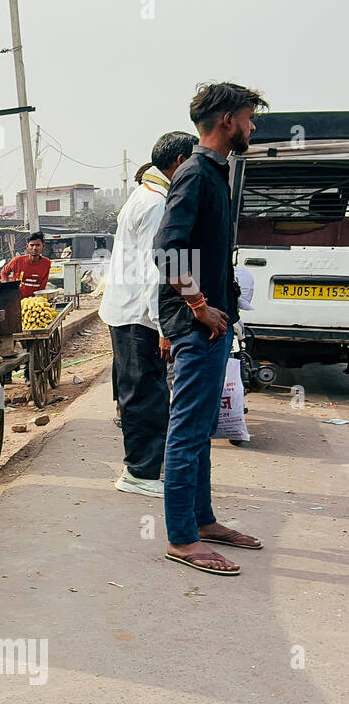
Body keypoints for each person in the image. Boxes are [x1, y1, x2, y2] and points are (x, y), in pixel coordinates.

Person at [154, 82, 268, 576]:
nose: (252, 126)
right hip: (197, 325)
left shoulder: (214, 172)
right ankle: (182, 538)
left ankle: (203, 520)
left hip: (215, 326)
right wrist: (198, 305)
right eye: (248, 117)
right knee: (185, 432)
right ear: (226, 120)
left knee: (200, 429)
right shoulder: (196, 173)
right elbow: (167, 247)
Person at [100, 131, 197, 496]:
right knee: (146, 395)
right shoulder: (157, 204)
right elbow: (151, 271)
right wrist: (163, 326)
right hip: (138, 315)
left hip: (128, 311)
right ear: (178, 163)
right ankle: (139, 473)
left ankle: (145, 469)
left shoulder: (144, 195)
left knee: (141, 391)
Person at [1, 232, 51, 297]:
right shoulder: (17, 261)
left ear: (43, 246)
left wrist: (38, 300)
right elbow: (4, 272)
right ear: (27, 246)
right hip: (16, 300)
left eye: (38, 245)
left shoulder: (46, 263)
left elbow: (43, 285)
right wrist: (6, 288)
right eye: (32, 245)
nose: (34, 248)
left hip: (34, 302)